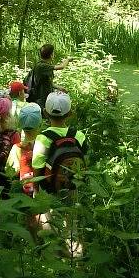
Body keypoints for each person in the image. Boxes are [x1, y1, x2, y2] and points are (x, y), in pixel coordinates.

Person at [32, 91, 88, 257]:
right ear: (70, 113)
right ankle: (75, 255)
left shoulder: (43, 138)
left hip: (49, 188)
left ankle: (55, 256)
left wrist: (36, 189)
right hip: (73, 186)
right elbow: (85, 162)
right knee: (72, 221)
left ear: (45, 113)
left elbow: (37, 166)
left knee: (49, 219)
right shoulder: (78, 135)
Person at [27, 44, 73, 108]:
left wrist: (58, 87)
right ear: (51, 55)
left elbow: (46, 82)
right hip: (40, 97)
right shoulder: (42, 66)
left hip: (45, 96)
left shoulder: (43, 65)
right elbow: (61, 67)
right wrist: (68, 60)